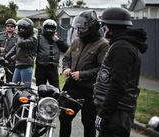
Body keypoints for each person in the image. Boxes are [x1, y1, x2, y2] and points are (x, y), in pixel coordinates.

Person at [94, 7, 147, 137]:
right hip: (115, 112)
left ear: (111, 28)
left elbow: (118, 85)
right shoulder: (121, 44)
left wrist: (103, 114)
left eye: (104, 25)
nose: (102, 28)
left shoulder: (122, 47)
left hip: (117, 114)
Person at [59, 10, 109, 137]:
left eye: (83, 28)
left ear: (93, 28)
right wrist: (66, 68)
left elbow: (102, 69)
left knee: (88, 121)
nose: (80, 31)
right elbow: (66, 58)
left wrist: (82, 74)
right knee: (64, 117)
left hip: (90, 90)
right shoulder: (76, 41)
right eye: (78, 28)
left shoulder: (103, 45)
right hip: (72, 87)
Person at [35, 19, 69, 88]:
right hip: (41, 68)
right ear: (44, 28)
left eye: (51, 28)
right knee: (40, 88)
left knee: (56, 89)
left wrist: (58, 41)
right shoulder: (39, 38)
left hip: (53, 69)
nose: (49, 30)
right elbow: (33, 51)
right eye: (48, 27)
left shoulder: (57, 39)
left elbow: (67, 49)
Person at [5, 18, 37, 86]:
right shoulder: (21, 37)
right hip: (18, 65)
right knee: (13, 86)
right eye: (20, 28)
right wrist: (6, 57)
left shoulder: (33, 38)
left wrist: (19, 36)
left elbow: (20, 43)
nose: (20, 30)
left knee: (25, 88)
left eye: (22, 28)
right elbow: (15, 48)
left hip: (26, 65)